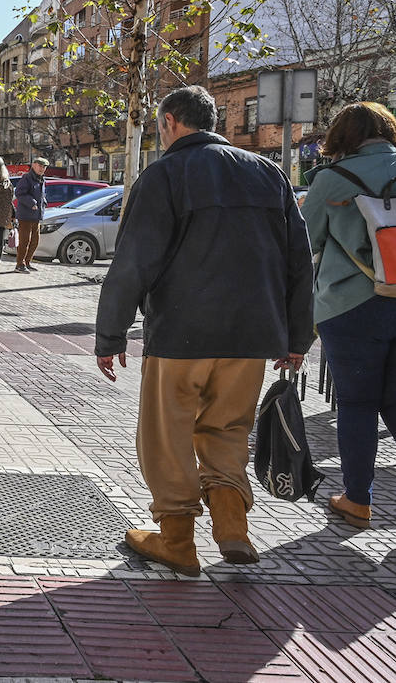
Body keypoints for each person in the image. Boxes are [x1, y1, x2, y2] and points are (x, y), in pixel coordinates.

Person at [95, 86, 313, 576]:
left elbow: (132, 264)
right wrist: (298, 338)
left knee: (166, 434)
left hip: (181, 335)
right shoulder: (269, 174)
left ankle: (177, 539)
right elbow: (299, 262)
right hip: (251, 337)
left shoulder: (165, 174)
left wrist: (110, 336)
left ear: (170, 121)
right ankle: (232, 526)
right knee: (228, 429)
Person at [302, 102, 396, 541]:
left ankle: (357, 499)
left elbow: (309, 241)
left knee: (358, 403)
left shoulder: (330, 180)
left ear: (342, 137)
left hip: (351, 305)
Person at [12, 157, 48, 273]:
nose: (42, 169)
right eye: (40, 166)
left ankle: (27, 262)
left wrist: (44, 202)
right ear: (34, 165)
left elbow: (41, 195)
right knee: (24, 241)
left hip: (36, 216)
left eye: (44, 167)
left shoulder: (42, 179)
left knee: (35, 241)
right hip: (26, 216)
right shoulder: (27, 178)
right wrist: (31, 202)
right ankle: (20, 264)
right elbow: (19, 193)